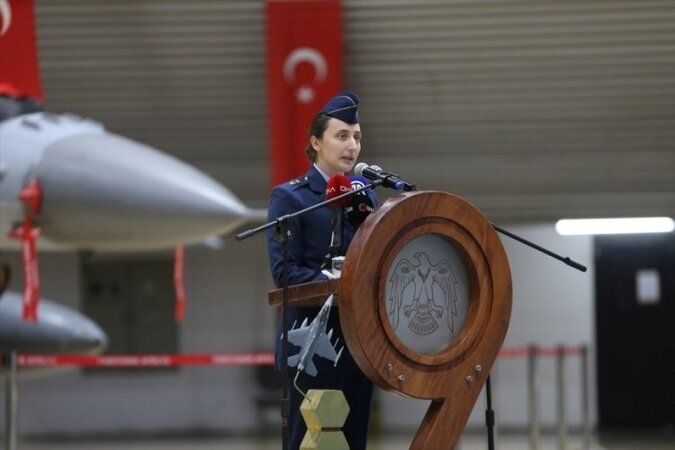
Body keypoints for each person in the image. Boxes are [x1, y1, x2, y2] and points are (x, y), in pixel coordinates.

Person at [266, 92, 377, 450]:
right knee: (315, 442)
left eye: (357, 137)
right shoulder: (291, 198)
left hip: (359, 344)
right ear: (316, 142)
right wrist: (335, 283)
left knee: (352, 441)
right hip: (312, 344)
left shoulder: (365, 198)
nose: (352, 146)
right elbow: (285, 274)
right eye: (342, 136)